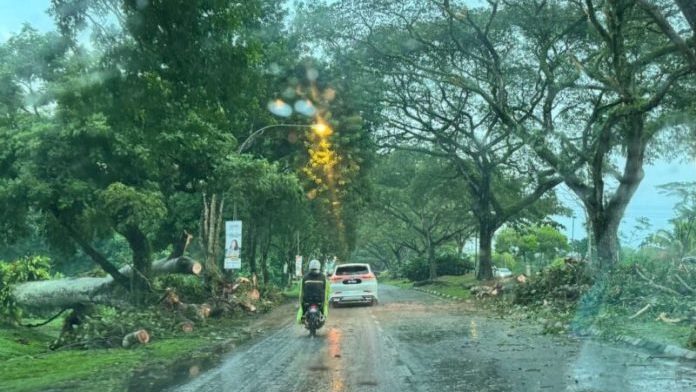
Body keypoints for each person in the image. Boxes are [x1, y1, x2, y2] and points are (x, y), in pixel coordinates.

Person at [296, 259, 329, 325]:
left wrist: (300, 300)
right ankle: (323, 317)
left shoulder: (305, 277)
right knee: (324, 308)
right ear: (319, 267)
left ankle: (302, 318)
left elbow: (301, 290)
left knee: (303, 309)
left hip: (307, 300)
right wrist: (326, 299)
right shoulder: (323, 277)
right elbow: (327, 290)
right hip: (319, 300)